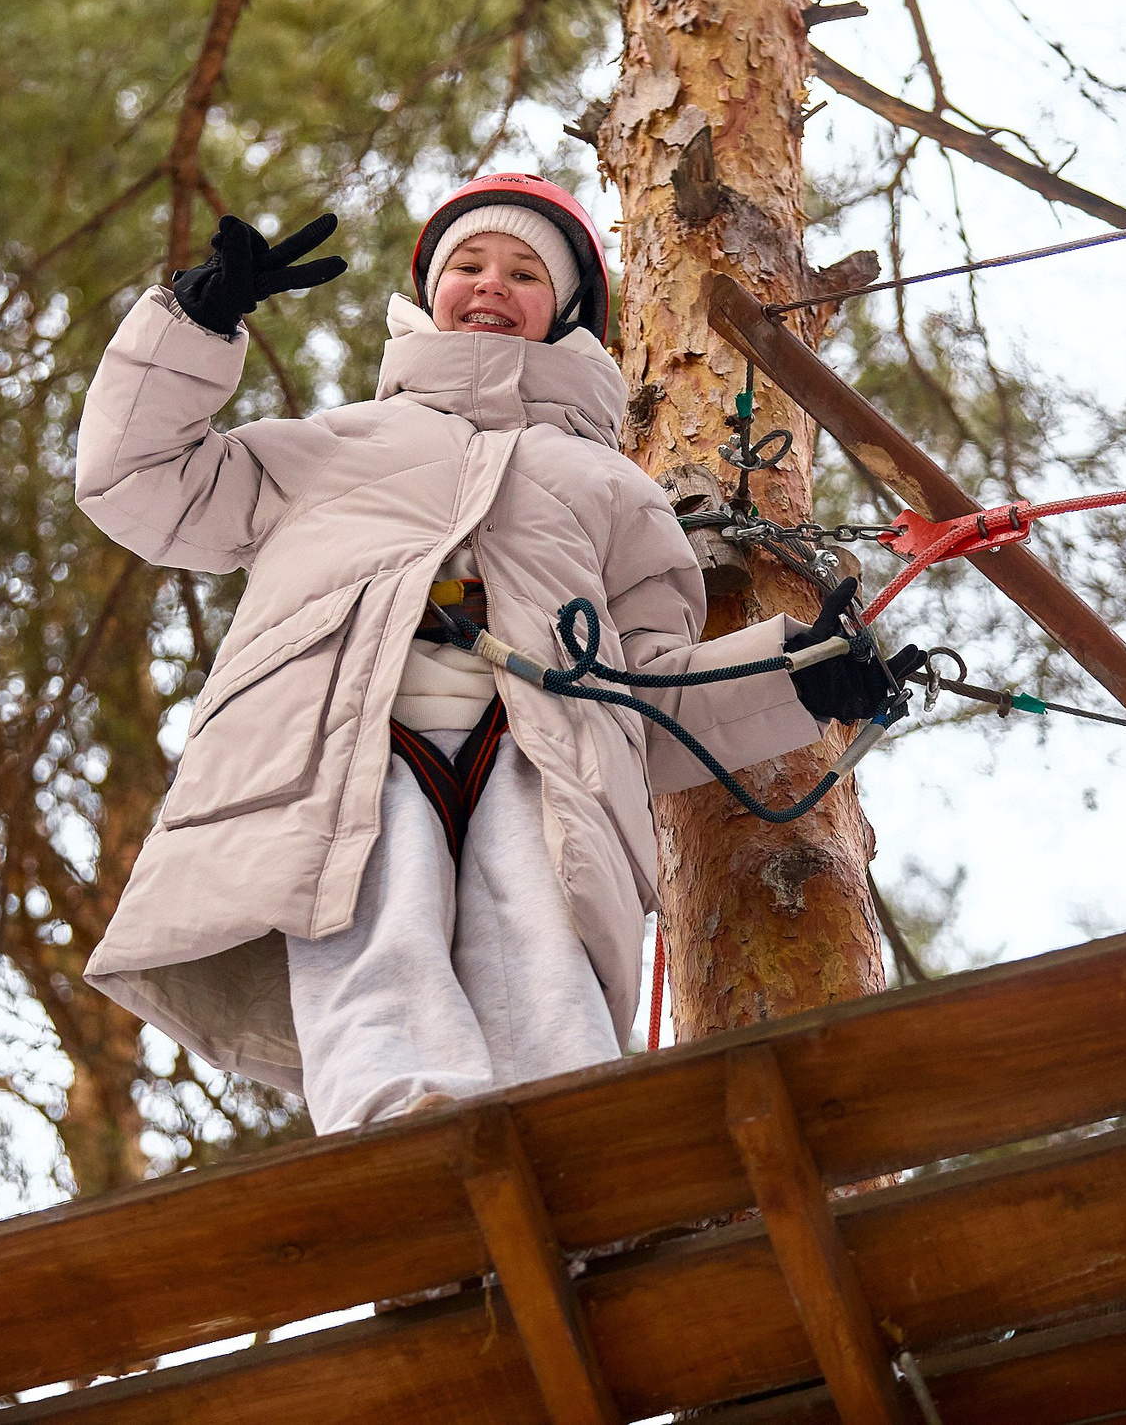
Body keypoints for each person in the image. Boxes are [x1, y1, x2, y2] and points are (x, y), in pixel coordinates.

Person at [74, 174, 922, 1133]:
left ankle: (577, 1147)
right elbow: (137, 483)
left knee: (540, 931)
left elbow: (650, 698)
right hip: (345, 742)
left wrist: (798, 679)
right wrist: (196, 324)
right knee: (366, 917)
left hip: (540, 750)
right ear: (431, 290)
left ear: (562, 312)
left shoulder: (610, 487)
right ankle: (398, 1135)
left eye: (523, 273)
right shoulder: (330, 445)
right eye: (467, 264)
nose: (489, 284)